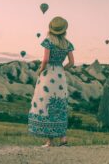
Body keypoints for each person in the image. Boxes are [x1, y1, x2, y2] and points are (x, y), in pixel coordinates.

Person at [28, 16, 75, 147]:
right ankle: (63, 139)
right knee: (60, 105)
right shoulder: (68, 44)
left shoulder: (48, 41)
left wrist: (40, 70)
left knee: (46, 103)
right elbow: (72, 63)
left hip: (48, 75)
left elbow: (45, 60)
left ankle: (50, 141)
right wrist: (61, 69)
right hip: (60, 76)